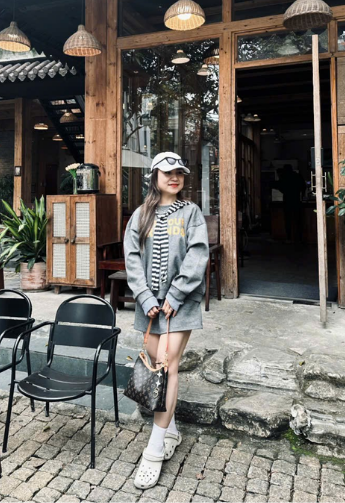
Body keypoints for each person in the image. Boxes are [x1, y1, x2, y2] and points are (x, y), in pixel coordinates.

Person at [124, 151, 209, 490]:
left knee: (166, 364)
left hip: (180, 304)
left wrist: (175, 294)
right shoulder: (140, 214)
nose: (174, 178)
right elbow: (132, 258)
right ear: (154, 177)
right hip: (149, 307)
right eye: (167, 172)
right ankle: (171, 430)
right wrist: (145, 297)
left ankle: (154, 449)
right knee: (155, 364)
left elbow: (197, 254)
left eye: (179, 173)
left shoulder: (191, 213)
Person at [275, 164, 306, 242]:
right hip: (296, 199)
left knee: (288, 220)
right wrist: (302, 196)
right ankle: (299, 237)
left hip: (287, 199)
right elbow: (303, 187)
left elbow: (280, 187)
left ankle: (289, 237)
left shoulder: (284, 177)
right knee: (298, 220)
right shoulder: (297, 176)